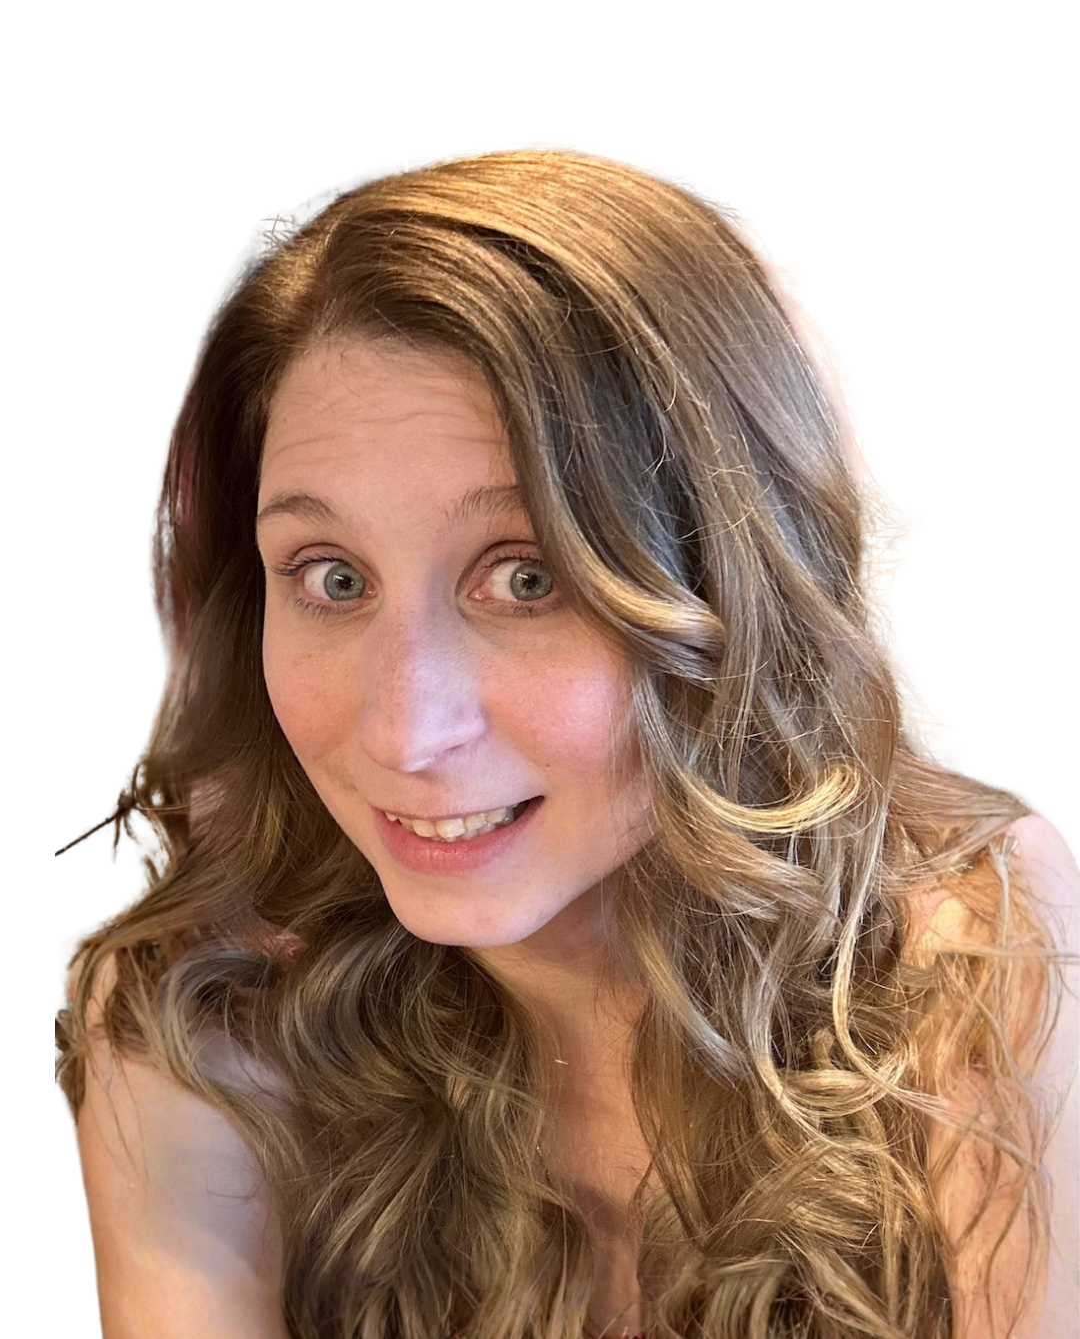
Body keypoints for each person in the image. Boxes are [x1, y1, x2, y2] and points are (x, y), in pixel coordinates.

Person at [55, 149, 1078, 1339]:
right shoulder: (213, 1028)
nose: (405, 728)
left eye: (526, 577)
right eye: (332, 579)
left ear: (734, 583)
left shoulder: (967, 956)